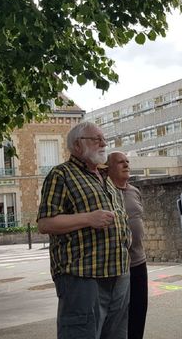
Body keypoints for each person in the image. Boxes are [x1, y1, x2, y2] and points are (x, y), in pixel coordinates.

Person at [37, 121, 131, 339]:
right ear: (78, 145)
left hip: (118, 274)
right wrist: (89, 218)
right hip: (82, 277)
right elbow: (45, 223)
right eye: (96, 139)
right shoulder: (61, 175)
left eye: (104, 139)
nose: (103, 143)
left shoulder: (105, 179)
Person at [106, 152, 147, 339]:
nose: (126, 165)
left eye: (127, 162)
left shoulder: (134, 191)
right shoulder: (104, 192)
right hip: (117, 265)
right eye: (120, 162)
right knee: (118, 316)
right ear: (108, 168)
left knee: (139, 311)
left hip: (139, 261)